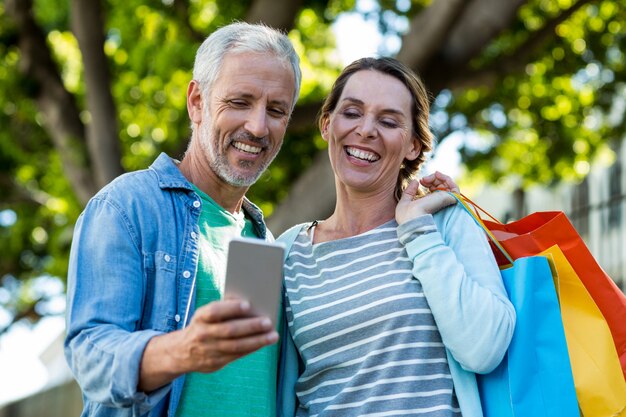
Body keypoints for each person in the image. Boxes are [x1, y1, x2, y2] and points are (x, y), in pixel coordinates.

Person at [64, 22, 302, 417]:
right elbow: (90, 351)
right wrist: (182, 350)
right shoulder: (127, 206)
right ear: (196, 101)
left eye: (276, 111)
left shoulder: (266, 242)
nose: (258, 127)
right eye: (240, 102)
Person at [276, 57, 516, 417]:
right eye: (352, 113)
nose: (366, 130)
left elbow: (484, 348)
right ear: (327, 124)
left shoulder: (442, 224)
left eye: (388, 121)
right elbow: (256, 377)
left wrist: (417, 230)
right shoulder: (288, 251)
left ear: (413, 146)